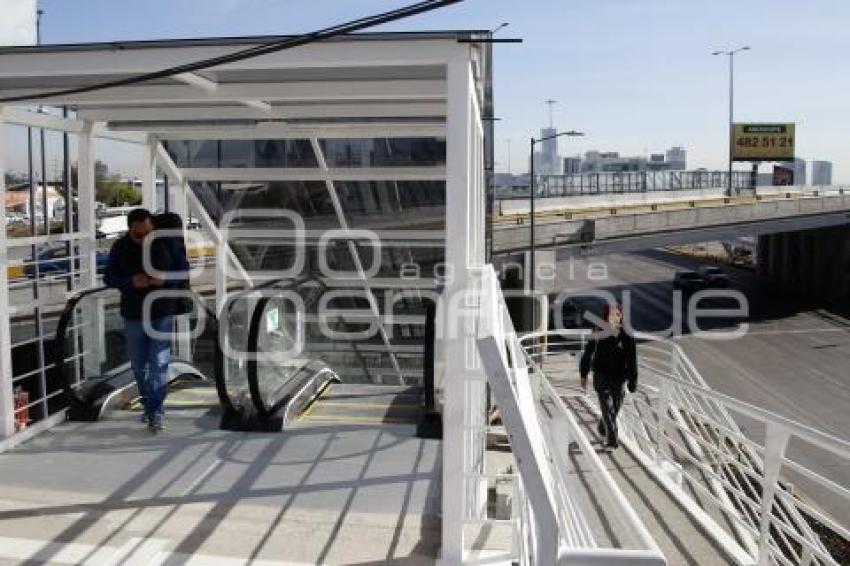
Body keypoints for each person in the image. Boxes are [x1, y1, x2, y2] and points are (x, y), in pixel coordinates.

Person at [103, 208, 187, 433]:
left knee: (159, 362)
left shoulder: (166, 242)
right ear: (129, 230)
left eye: (149, 233)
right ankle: (150, 406)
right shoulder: (121, 247)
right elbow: (108, 277)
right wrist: (131, 281)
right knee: (140, 366)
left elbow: (184, 271)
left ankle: (155, 412)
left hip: (162, 310)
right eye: (139, 235)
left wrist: (165, 279)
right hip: (133, 313)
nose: (145, 239)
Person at [579, 302, 638, 449]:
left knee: (615, 407)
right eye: (612, 314)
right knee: (607, 407)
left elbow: (632, 359)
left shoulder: (627, 335)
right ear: (606, 316)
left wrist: (633, 380)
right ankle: (612, 440)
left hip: (619, 378)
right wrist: (584, 374)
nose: (615, 317)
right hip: (601, 375)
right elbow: (588, 353)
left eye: (618, 314)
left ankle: (602, 426)